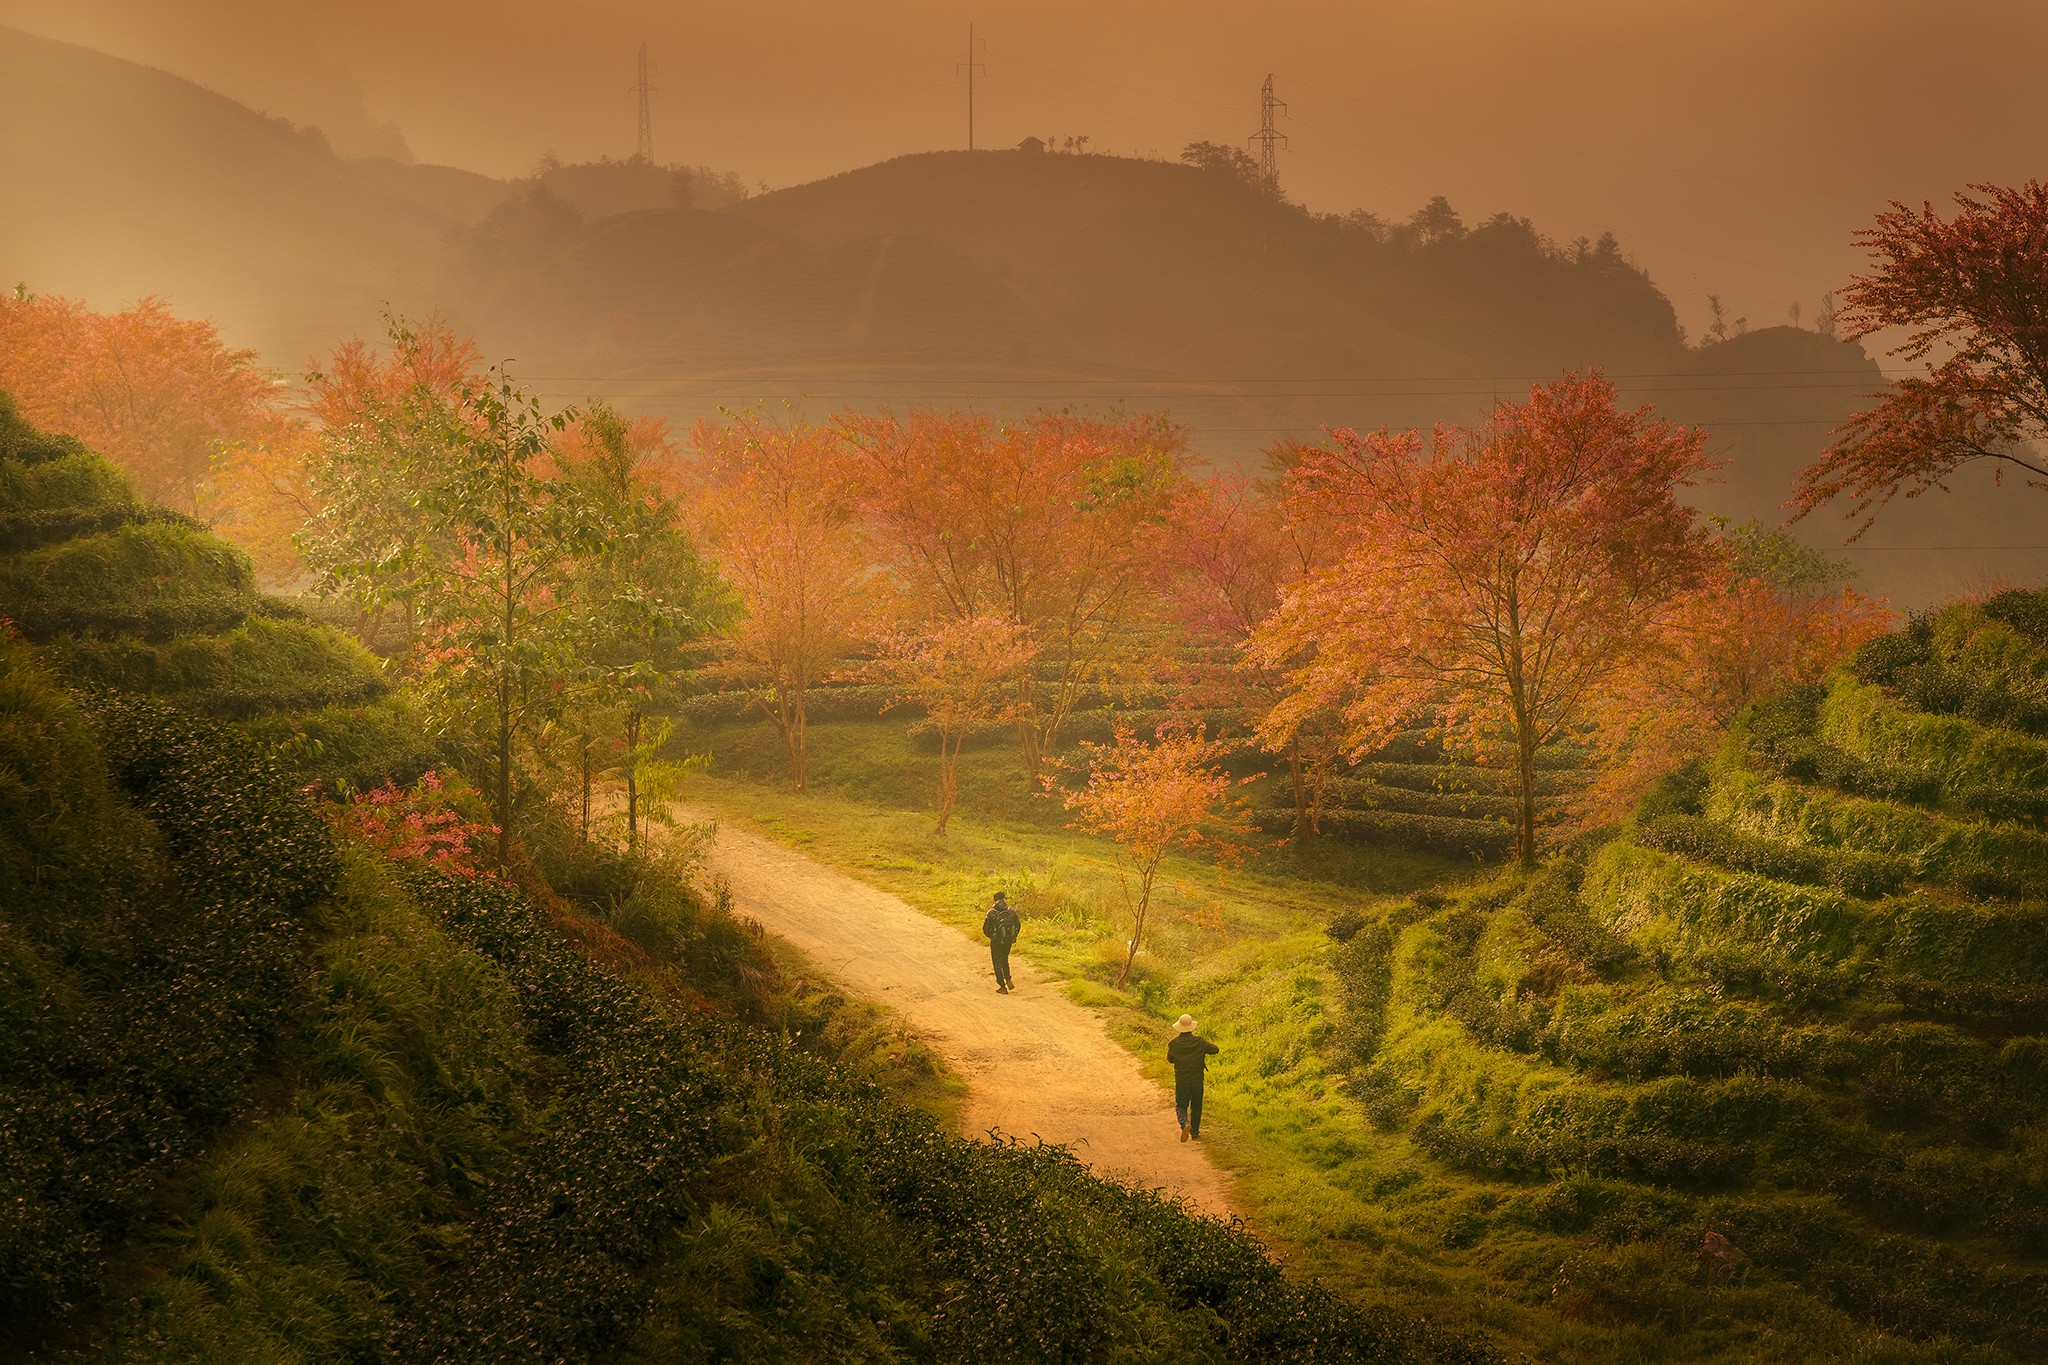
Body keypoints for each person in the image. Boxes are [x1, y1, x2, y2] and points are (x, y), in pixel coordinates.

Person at [1166, 1014, 1219, 1142]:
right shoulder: (1199, 1041)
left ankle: (1185, 1124)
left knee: (1181, 1105)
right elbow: (1215, 1049)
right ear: (1191, 1027)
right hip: (1197, 1079)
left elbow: (1170, 1060)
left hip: (1182, 1079)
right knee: (1196, 1105)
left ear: (1178, 1027)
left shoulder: (1174, 1043)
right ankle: (1195, 1132)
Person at [982, 891, 1020, 993]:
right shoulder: (1011, 911)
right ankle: (1008, 978)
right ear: (1004, 898)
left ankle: (1002, 987)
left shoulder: (991, 913)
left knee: (997, 963)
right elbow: (1018, 925)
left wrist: (993, 937)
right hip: (1007, 940)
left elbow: (985, 929)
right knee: (1004, 960)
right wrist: (1012, 937)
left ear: (994, 900)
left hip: (996, 942)